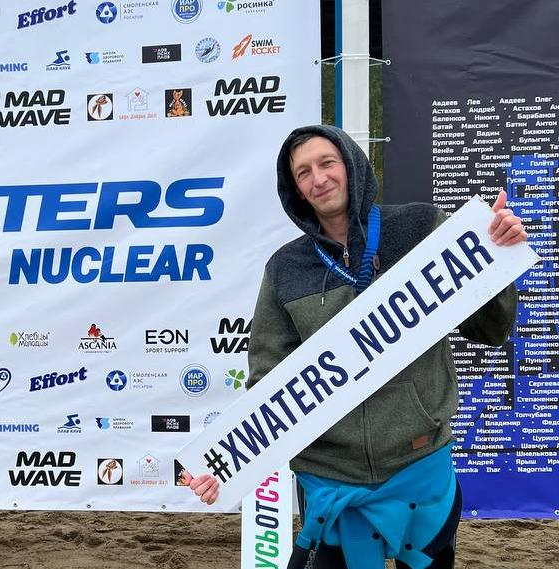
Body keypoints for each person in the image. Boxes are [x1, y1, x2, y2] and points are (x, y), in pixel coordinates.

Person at [184, 125, 527, 569]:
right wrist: (225, 467)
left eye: (327, 163)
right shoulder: (285, 268)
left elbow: (489, 330)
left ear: (350, 164)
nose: (318, 178)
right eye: (303, 172)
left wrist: (497, 256)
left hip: (419, 462)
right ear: (296, 189)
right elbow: (267, 379)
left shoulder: (422, 226)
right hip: (328, 479)